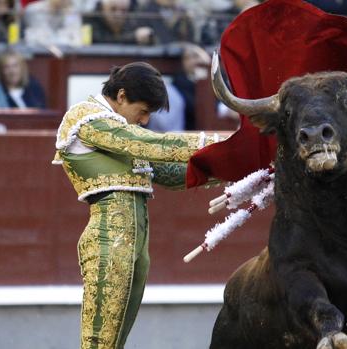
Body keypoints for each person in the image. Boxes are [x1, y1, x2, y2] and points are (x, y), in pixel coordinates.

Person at [52, 61, 222, 348]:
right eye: (142, 111)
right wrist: (227, 143)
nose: (144, 120)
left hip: (135, 245)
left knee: (116, 340)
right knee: (100, 341)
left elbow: (168, 173)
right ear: (120, 96)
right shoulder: (87, 117)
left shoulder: (122, 133)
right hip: (109, 239)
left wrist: (235, 169)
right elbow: (151, 145)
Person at [84, 0, 155, 45]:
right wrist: (133, 38)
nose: (118, 15)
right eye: (113, 9)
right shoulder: (90, 19)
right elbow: (100, 42)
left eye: (123, 10)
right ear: (102, 8)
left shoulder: (135, 16)